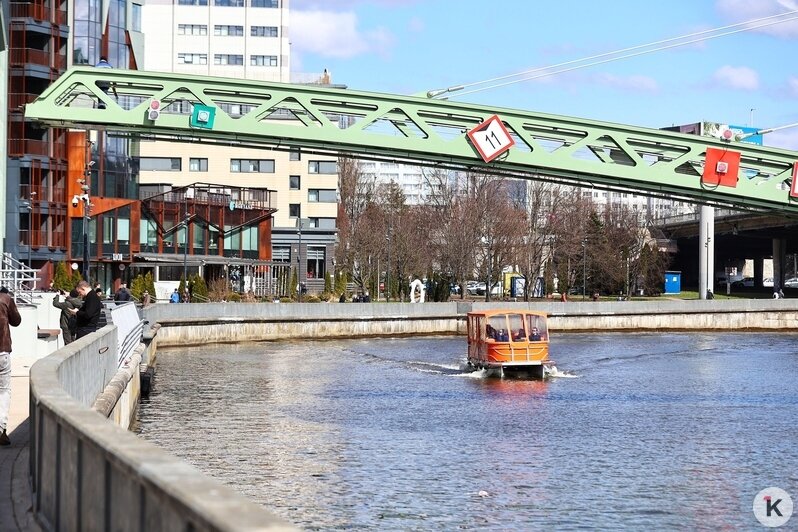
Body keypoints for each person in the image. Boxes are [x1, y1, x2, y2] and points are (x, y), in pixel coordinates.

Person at [0, 288, 22, 445]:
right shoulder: (5, 299)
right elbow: (16, 321)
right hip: (2, 351)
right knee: (3, 390)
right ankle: (1, 428)